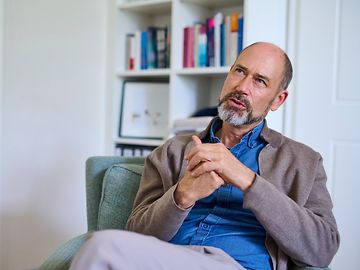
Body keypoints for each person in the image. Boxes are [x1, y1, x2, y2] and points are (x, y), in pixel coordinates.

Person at [70, 42, 340, 270]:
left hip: (234, 264)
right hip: (164, 260)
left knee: (101, 246)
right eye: (239, 72)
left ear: (277, 100)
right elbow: (136, 235)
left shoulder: (303, 162)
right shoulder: (172, 152)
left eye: (259, 81)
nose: (243, 87)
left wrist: (247, 179)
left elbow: (323, 247)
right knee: (102, 246)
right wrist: (182, 195)